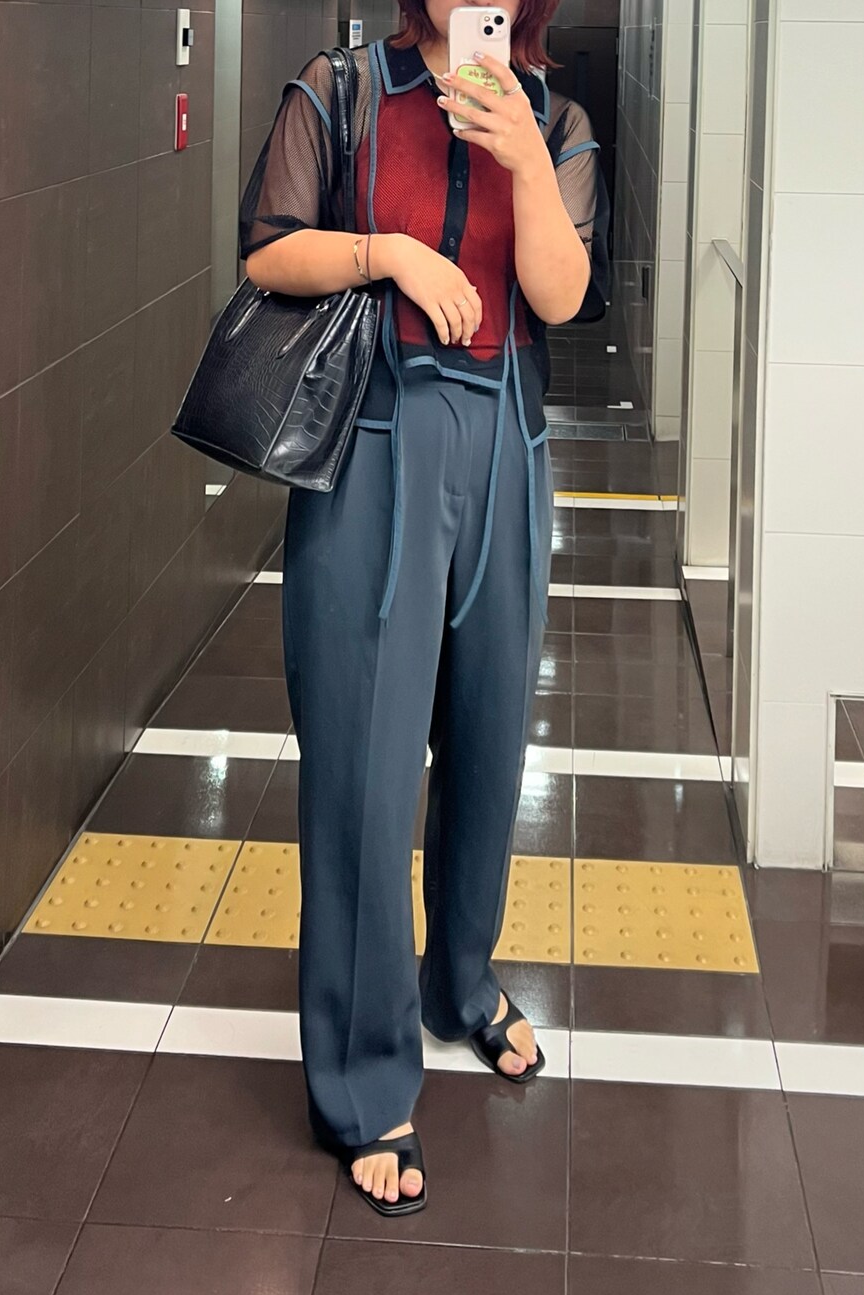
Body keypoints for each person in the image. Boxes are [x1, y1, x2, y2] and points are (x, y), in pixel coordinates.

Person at [239, 0, 608, 1216]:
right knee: (364, 766)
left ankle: (461, 980)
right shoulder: (345, 88)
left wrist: (523, 159)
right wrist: (387, 253)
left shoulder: (557, 120)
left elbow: (559, 295)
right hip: (372, 448)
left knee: (491, 749)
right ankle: (362, 1077)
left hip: (507, 449)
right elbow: (267, 251)